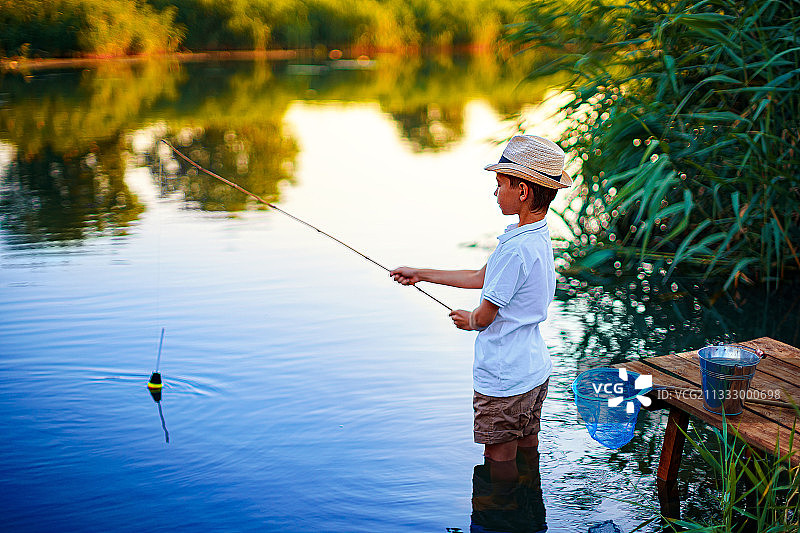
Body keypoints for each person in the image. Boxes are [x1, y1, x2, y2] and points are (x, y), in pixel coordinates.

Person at [390, 135, 572, 464]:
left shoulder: (513, 248)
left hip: (504, 379)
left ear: (523, 190)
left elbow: (485, 316)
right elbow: (480, 278)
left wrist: (469, 320)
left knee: (498, 458)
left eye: (500, 184)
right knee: (528, 444)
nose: (495, 192)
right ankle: (528, 502)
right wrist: (420, 273)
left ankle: (501, 510)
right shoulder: (536, 236)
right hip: (533, 371)